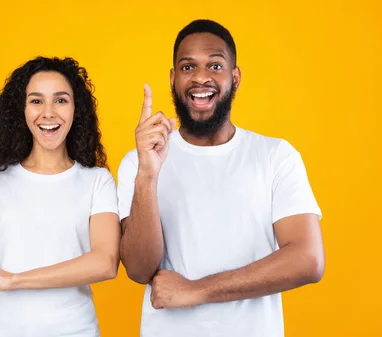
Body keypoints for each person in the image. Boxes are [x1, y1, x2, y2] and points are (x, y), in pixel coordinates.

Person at [117, 19, 325, 336]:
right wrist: (147, 176)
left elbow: (308, 259)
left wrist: (198, 290)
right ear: (173, 79)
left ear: (235, 76)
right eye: (188, 68)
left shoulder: (275, 156)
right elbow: (139, 268)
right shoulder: (139, 162)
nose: (201, 77)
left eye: (215, 65)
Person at [0, 56, 120, 337]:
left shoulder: (97, 181)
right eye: (36, 101)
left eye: (61, 100)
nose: (48, 113)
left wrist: (13, 280)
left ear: (77, 110)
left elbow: (106, 262)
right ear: (22, 110)